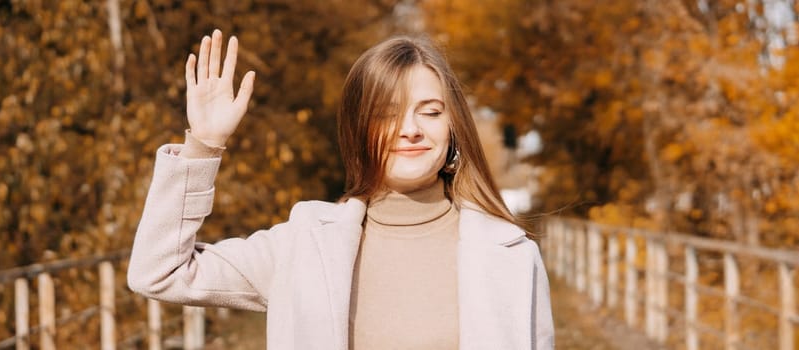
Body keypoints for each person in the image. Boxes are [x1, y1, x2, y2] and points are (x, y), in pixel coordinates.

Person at [127, 29, 554, 350]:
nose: (410, 130)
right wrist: (202, 147)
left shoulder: (511, 254)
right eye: (388, 114)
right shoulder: (305, 242)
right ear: (359, 130)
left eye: (430, 112)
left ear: (453, 129)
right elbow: (159, 271)